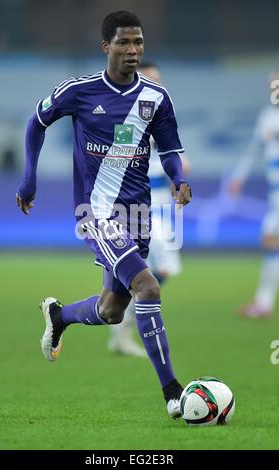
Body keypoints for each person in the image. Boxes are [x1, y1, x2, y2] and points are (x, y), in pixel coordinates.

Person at [16, 10, 192, 419]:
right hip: (94, 213)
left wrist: (179, 179)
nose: (133, 50)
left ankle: (59, 315)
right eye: (124, 43)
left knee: (112, 310)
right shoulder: (79, 91)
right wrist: (29, 179)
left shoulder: (155, 98)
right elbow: (35, 123)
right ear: (106, 47)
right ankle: (172, 392)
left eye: (139, 43)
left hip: (138, 214)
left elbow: (170, 151)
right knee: (148, 287)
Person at [108, 62, 190, 358]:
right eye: (150, 80)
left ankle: (122, 328)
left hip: (163, 206)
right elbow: (121, 162)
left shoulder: (164, 115)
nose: (156, 86)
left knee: (159, 270)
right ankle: (122, 328)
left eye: (159, 80)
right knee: (143, 269)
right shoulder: (128, 120)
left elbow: (177, 154)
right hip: (140, 205)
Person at [228, 71, 279, 318]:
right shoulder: (268, 116)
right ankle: (264, 302)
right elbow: (253, 150)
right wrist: (238, 177)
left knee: (271, 239)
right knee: (271, 241)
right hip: (275, 192)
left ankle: (264, 303)